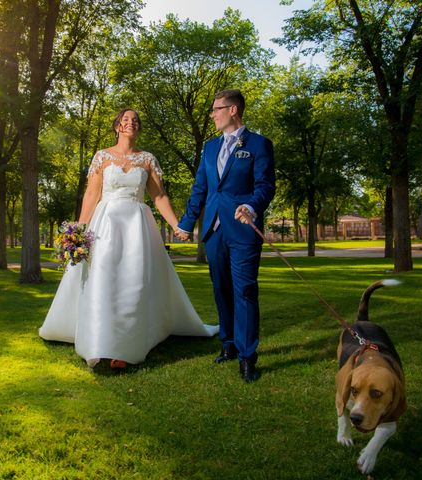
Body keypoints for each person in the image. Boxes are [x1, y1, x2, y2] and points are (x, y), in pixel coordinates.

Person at [39, 108, 218, 368]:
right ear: (117, 126)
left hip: (137, 226)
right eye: (125, 120)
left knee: (132, 282)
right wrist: (78, 230)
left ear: (138, 128)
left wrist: (178, 224)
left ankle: (125, 349)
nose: (130, 123)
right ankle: (98, 343)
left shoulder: (147, 159)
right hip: (105, 224)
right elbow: (91, 195)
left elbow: (159, 197)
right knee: (102, 279)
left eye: (135, 120)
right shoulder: (102, 157)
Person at [176, 89, 275, 383]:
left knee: (244, 291)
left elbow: (266, 185)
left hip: (243, 228)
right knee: (221, 289)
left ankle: (247, 357)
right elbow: (200, 189)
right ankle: (228, 345)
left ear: (233, 110)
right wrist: (186, 223)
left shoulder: (258, 144)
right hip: (214, 231)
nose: (212, 115)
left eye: (216, 109)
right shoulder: (209, 148)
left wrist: (251, 205)